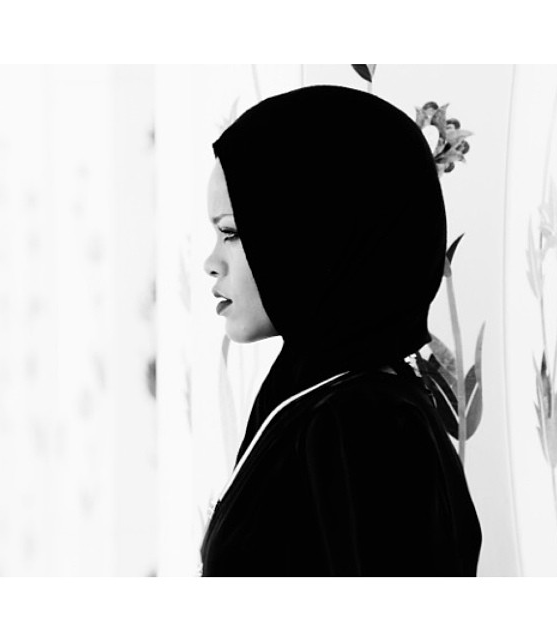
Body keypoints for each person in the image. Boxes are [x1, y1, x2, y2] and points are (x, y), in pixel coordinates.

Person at [200, 85, 482, 577]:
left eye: (232, 233)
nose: (211, 263)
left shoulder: (363, 424)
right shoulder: (320, 401)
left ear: (312, 233)